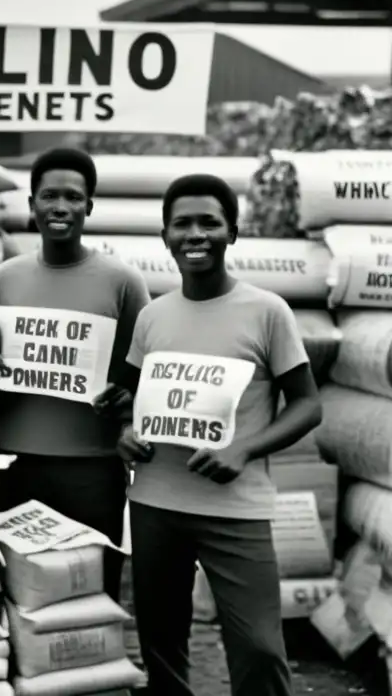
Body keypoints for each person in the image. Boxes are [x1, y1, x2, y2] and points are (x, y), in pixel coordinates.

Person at [115, 174, 322, 696]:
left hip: (237, 508)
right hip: (156, 503)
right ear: (165, 235)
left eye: (210, 222)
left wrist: (244, 448)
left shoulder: (267, 311)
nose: (196, 234)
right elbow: (132, 399)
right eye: (182, 223)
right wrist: (123, 432)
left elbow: (308, 404)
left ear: (234, 231)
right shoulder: (153, 317)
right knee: (160, 643)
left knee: (258, 646)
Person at [0, 147, 150, 602]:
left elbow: (145, 368)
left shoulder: (123, 281)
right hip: (16, 465)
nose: (61, 207)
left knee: (93, 595)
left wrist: (129, 404)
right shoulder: (3, 278)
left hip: (93, 469)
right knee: (22, 597)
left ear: (89, 206)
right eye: (49, 196)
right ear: (31, 203)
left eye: (73, 197)